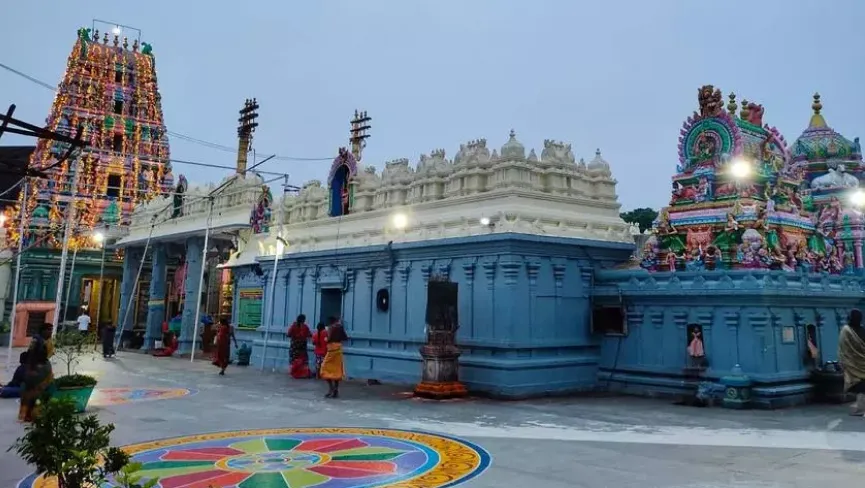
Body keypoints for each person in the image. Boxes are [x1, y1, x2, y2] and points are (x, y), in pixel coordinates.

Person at [838, 308, 865, 415]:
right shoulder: (863, 330)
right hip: (863, 363)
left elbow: (843, 348)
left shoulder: (846, 330)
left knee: (859, 385)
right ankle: (860, 407)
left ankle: (860, 408)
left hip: (852, 363)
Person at [18, 342, 54, 422]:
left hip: (40, 389)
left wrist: (42, 386)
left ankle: (32, 413)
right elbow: (27, 378)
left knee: (34, 398)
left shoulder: (46, 364)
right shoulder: (32, 364)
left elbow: (49, 378)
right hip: (30, 388)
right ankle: (26, 414)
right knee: (27, 395)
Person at [320, 317, 349, 398]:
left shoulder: (331, 327)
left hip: (331, 349)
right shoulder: (340, 327)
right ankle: (335, 389)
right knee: (337, 370)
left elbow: (329, 339)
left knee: (324, 369)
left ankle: (331, 388)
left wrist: (326, 339)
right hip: (338, 349)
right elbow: (345, 338)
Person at [287, 314, 312, 379]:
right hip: (302, 346)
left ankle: (294, 372)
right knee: (302, 359)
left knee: (294, 359)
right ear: (304, 320)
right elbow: (309, 334)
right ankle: (302, 374)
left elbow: (288, 334)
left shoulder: (293, 326)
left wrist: (295, 336)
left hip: (294, 346)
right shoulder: (305, 327)